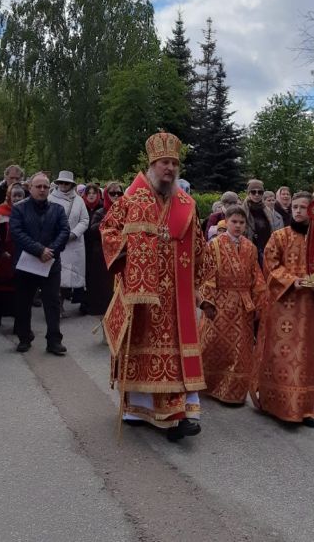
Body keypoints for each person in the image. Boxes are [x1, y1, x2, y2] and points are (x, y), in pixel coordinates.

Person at [101, 132, 208, 442]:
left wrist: (203, 285)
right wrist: (128, 250)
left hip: (177, 299)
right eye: (164, 163)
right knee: (140, 349)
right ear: (152, 165)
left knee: (174, 354)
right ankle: (137, 408)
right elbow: (108, 229)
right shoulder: (131, 200)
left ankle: (176, 415)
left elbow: (199, 246)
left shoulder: (187, 204)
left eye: (174, 163)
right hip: (141, 294)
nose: (170, 169)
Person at [253, 192, 314, 427]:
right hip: (282, 308)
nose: (299, 211)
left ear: (312, 212)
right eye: (296, 207)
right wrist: (293, 281)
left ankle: (305, 409)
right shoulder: (279, 237)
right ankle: (277, 405)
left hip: (308, 311)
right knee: (280, 356)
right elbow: (270, 265)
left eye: (303, 208)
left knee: (305, 359)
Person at [199, 205, 267, 404]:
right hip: (219, 303)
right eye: (234, 222)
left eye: (241, 222)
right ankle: (208, 385)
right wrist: (207, 302)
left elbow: (256, 277)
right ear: (226, 222)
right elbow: (206, 274)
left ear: (246, 225)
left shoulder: (250, 248)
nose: (237, 226)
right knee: (211, 345)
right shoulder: (214, 245)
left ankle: (232, 394)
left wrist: (260, 301)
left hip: (243, 305)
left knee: (240, 351)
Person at [10, 172, 70, 355]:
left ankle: (54, 341)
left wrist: (50, 250)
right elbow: (17, 232)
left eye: (45, 187)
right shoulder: (19, 209)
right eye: (38, 186)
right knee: (23, 302)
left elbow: (64, 231)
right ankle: (24, 337)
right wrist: (38, 250)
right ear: (30, 188)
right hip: (26, 264)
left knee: (52, 303)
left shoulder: (58, 209)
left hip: (51, 263)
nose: (42, 190)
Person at [48, 170, 89, 316]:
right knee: (56, 276)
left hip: (73, 243)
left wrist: (74, 233)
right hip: (56, 242)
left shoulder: (79, 200)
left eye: (67, 183)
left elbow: (85, 220)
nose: (64, 185)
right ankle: (55, 304)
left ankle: (61, 301)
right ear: (58, 184)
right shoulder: (50, 198)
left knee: (68, 277)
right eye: (61, 183)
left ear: (71, 185)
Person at [81, 181, 123, 316]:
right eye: (112, 193)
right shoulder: (101, 211)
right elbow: (92, 230)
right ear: (106, 194)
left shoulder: (126, 210)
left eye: (119, 193)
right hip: (101, 254)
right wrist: (108, 222)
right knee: (101, 285)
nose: (116, 196)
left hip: (121, 253)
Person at [0, 183, 27, 327]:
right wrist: (0, 250)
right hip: (4, 254)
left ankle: (16, 318)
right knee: (0, 288)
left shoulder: (27, 211)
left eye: (20, 196)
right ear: (9, 196)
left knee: (18, 289)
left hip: (21, 254)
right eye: (15, 196)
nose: (17, 198)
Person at [243, 179, 276, 265]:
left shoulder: (267, 211)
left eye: (260, 192)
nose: (257, 194)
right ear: (248, 193)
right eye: (253, 192)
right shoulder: (242, 210)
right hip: (249, 249)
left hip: (266, 248)